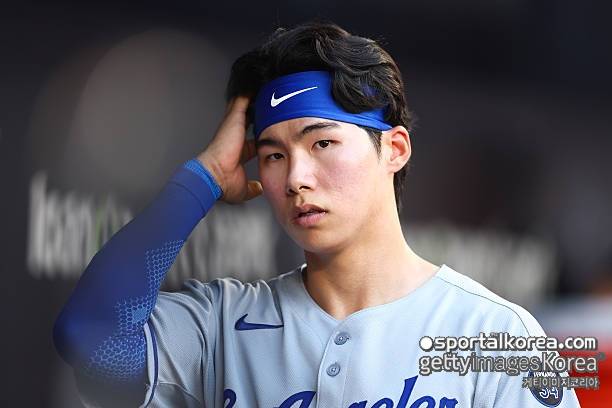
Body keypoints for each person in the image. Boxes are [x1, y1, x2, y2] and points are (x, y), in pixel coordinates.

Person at [53, 21, 581, 407]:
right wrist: (204, 177)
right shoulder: (222, 322)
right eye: (273, 155)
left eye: (322, 142)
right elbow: (92, 336)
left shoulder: (494, 334)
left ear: (394, 149)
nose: (295, 178)